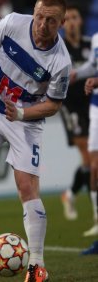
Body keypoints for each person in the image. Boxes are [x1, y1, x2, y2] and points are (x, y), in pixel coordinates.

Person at [0, 0, 70, 282]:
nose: (42, 25)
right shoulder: (13, 23)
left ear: (61, 23)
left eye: (51, 21)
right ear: (33, 12)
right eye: (39, 17)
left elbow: (54, 105)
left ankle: (36, 265)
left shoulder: (61, 62)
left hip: (26, 121)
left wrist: (21, 114)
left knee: (26, 187)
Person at [59, 5, 92, 221]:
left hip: (93, 106)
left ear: (80, 21)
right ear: (62, 24)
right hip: (71, 107)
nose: (71, 21)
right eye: (67, 18)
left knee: (91, 162)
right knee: (89, 158)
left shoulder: (91, 45)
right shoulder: (58, 48)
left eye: (75, 17)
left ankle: (70, 194)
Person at [76, 34, 98, 237]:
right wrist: (76, 73)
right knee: (95, 168)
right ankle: (97, 221)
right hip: (96, 108)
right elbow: (93, 65)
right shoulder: (96, 39)